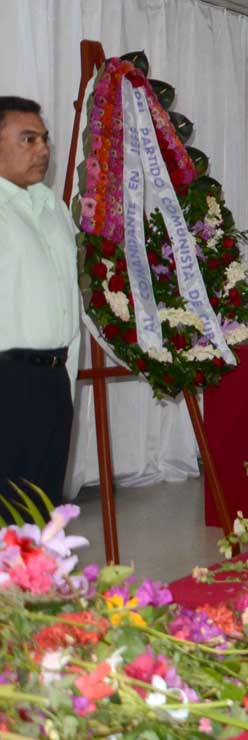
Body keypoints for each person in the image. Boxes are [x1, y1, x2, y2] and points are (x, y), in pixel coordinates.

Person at [0, 96, 80, 505]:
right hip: (9, 382)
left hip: (53, 382)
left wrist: (66, 379)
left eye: (44, 139)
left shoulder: (54, 210)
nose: (43, 150)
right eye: (27, 139)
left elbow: (69, 304)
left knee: (43, 512)